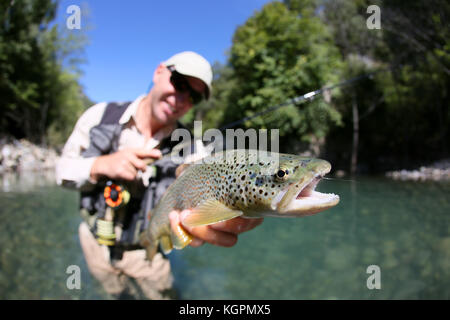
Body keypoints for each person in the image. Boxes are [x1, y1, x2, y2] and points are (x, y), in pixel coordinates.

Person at [56, 51, 263, 299]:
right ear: (158, 71)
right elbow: (61, 173)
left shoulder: (191, 149)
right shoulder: (99, 116)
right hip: (93, 243)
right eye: (180, 84)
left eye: (194, 96)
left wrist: (225, 209)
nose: (182, 99)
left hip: (147, 254)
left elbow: (209, 176)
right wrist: (100, 164)